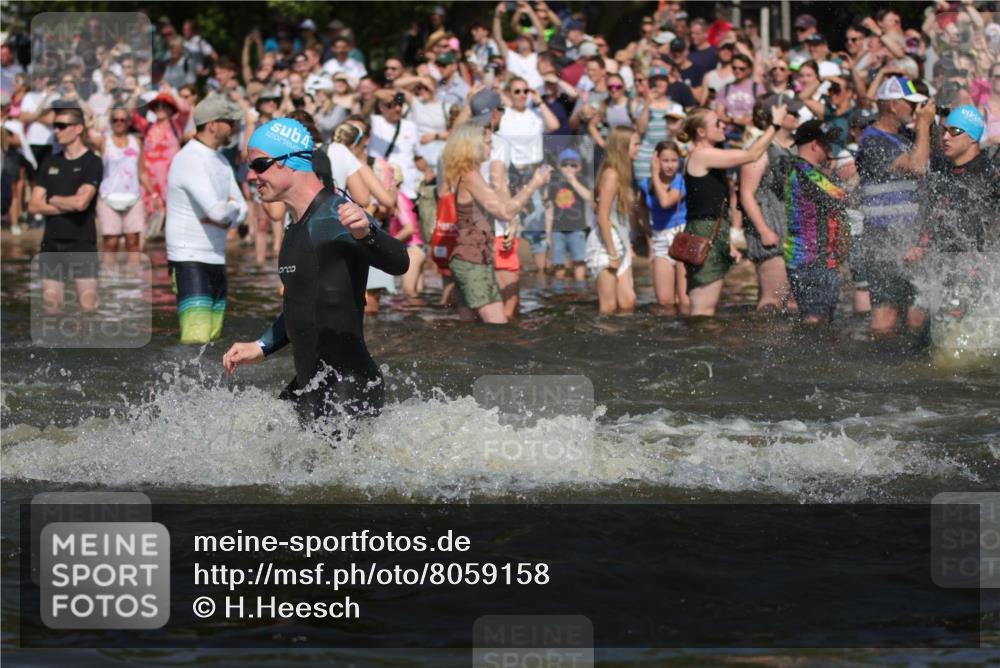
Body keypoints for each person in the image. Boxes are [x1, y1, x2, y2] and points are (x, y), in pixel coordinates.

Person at [222, 118, 410, 429]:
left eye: (259, 164)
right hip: (309, 383)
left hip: (348, 386)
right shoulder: (295, 228)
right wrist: (262, 346)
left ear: (289, 161)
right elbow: (302, 304)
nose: (252, 175)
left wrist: (368, 234)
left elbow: (400, 262)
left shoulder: (336, 216)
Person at [677, 104, 788, 316]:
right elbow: (752, 154)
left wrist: (727, 241)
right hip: (704, 232)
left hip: (713, 230)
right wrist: (775, 125)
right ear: (701, 132)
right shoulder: (702, 155)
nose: (723, 126)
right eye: (717, 123)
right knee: (703, 308)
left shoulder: (709, 155)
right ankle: (696, 338)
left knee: (708, 307)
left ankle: (702, 337)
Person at [441, 122, 550, 324]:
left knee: (469, 329)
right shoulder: (470, 176)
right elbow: (504, 212)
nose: (492, 147)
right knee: (498, 327)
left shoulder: (466, 173)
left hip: (470, 259)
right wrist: (534, 184)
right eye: (488, 143)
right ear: (473, 146)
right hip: (472, 261)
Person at [854, 76, 935, 338]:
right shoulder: (873, 141)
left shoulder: (907, 136)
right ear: (892, 105)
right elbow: (917, 167)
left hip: (911, 238)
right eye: (910, 103)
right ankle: (878, 361)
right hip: (882, 239)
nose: (914, 109)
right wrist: (924, 124)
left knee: (917, 316)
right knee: (885, 319)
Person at [165, 95, 248, 344]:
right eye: (229, 122)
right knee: (196, 339)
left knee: (213, 337)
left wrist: (227, 213)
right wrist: (228, 212)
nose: (234, 127)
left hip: (216, 256)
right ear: (212, 125)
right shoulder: (190, 158)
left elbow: (243, 211)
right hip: (189, 258)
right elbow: (217, 212)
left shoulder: (220, 159)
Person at [28, 104, 102, 314]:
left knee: (88, 308)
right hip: (52, 243)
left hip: (82, 243)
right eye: (55, 126)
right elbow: (33, 205)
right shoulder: (50, 162)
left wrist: (51, 199)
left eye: (61, 126)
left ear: (78, 128)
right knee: (51, 308)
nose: (56, 130)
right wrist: (67, 204)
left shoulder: (92, 162)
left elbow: (81, 203)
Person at [739, 97, 802, 312]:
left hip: (795, 231)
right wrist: (763, 230)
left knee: (794, 303)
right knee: (773, 301)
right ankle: (761, 335)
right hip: (769, 226)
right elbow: (746, 194)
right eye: (791, 112)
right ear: (774, 115)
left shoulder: (798, 146)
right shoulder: (759, 149)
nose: (797, 115)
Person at [784, 120, 849, 323]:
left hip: (815, 260)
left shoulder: (803, 170)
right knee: (815, 322)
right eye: (826, 144)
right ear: (814, 145)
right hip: (811, 261)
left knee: (821, 321)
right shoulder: (805, 172)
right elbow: (842, 198)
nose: (830, 150)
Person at [587, 125, 639, 315]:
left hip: (619, 240)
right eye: (636, 144)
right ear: (623, 146)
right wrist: (612, 253)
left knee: (628, 302)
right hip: (605, 244)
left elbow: (620, 216)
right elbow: (603, 217)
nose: (639, 148)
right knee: (608, 307)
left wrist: (627, 245)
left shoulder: (624, 173)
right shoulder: (611, 175)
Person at [91, 108, 156, 257]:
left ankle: (134, 272)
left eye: (123, 120)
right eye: (115, 120)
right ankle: (109, 272)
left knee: (133, 242)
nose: (119, 123)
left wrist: (154, 194)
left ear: (128, 122)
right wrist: (89, 124)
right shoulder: (104, 141)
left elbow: (142, 171)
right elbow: (86, 139)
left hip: (133, 196)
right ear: (111, 122)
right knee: (110, 243)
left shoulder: (136, 142)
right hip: (108, 196)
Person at [640, 140, 688, 312]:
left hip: (681, 237)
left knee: (685, 301)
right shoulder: (645, 184)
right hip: (660, 238)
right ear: (656, 160)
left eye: (674, 160)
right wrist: (647, 230)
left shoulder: (681, 181)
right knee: (665, 302)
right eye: (665, 160)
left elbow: (665, 202)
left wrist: (654, 174)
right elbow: (641, 206)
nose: (670, 165)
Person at [545, 147, 591, 281]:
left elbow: (589, 197)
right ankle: (559, 289)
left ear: (579, 167)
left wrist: (573, 181)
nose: (569, 168)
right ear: (559, 166)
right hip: (558, 230)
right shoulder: (555, 184)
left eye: (573, 165)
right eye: (565, 165)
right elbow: (549, 208)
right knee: (558, 263)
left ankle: (580, 287)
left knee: (579, 261)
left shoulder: (581, 181)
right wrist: (548, 233)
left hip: (577, 229)